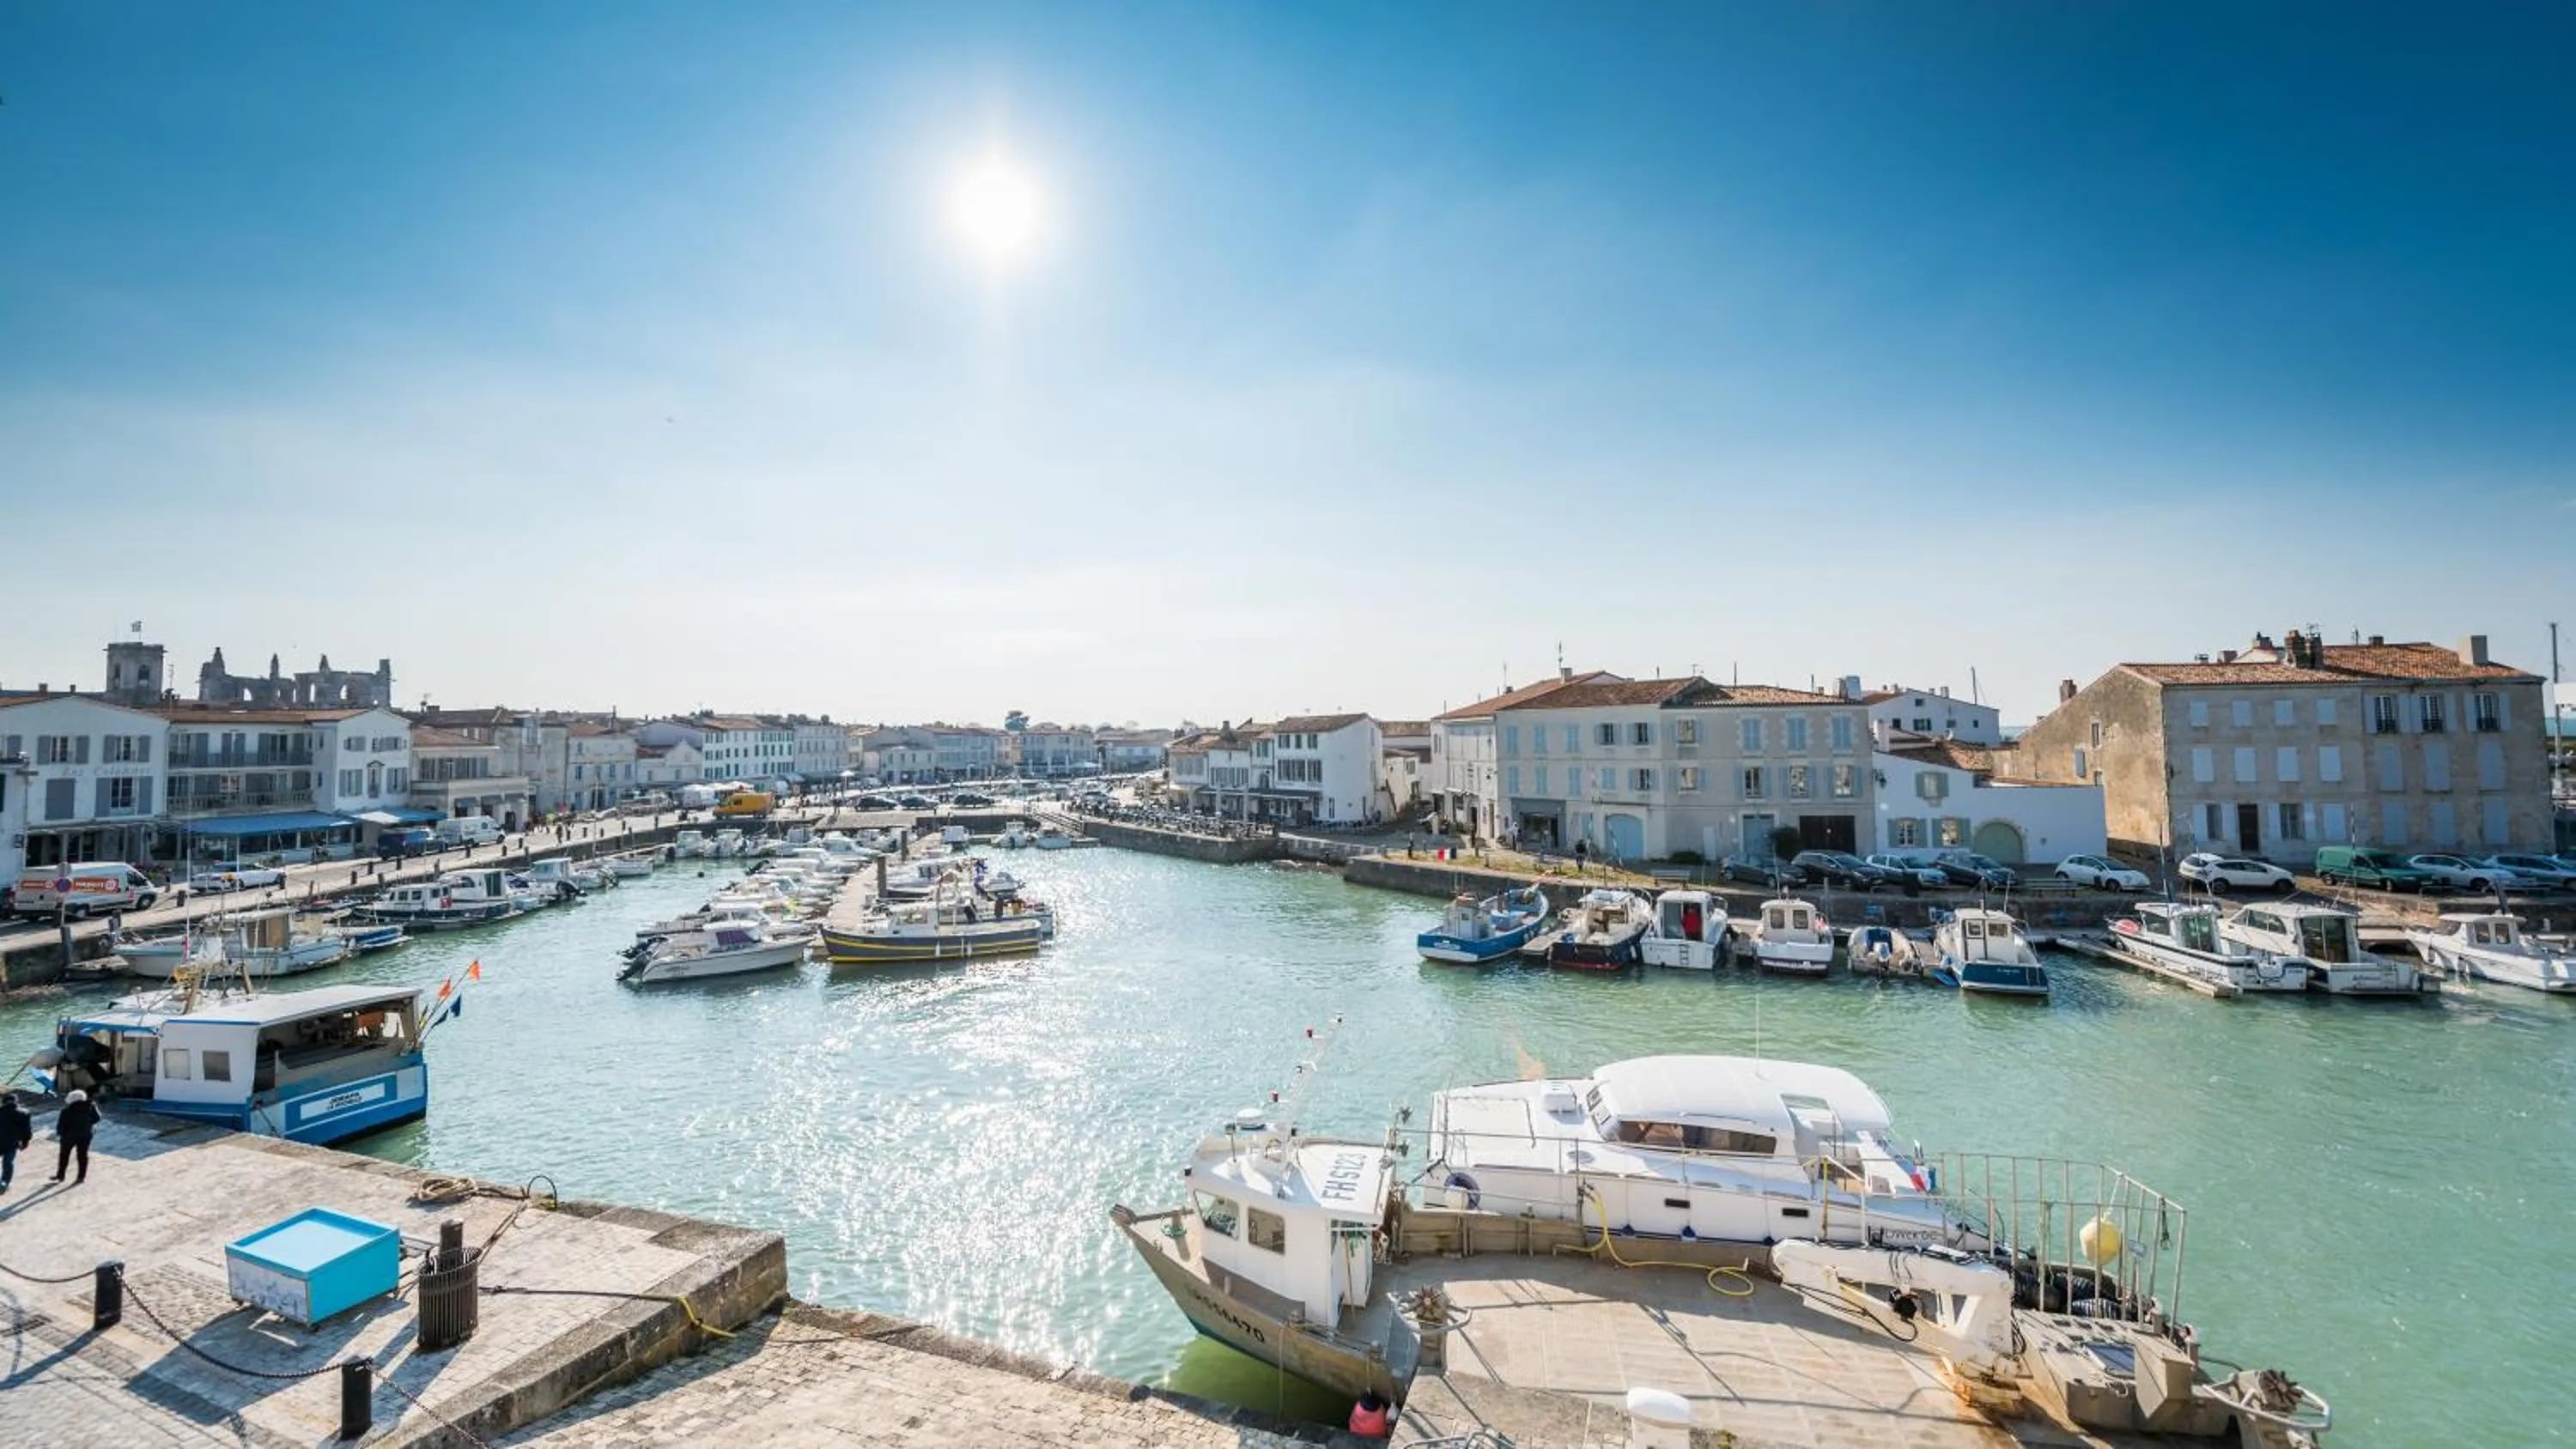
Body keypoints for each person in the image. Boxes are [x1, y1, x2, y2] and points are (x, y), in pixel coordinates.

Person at [52, 1088, 100, 1185]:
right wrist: (88, 1124)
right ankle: (81, 1177)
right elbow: (98, 1118)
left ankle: (60, 1175)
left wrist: (59, 1134)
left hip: (69, 1136)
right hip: (85, 1134)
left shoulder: (66, 1111)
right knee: (83, 1155)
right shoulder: (91, 1106)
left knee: (64, 1156)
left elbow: (61, 1125)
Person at [0, 1090, 31, 1194]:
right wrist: (25, 1142)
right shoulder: (24, 1113)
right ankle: (4, 1183)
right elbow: (26, 1130)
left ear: (3, 1102)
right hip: (12, 1142)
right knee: (8, 1163)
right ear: (16, 1101)